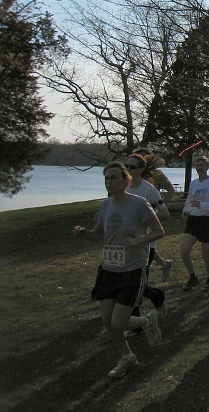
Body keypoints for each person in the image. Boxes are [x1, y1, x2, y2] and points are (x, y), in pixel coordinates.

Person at [72, 162, 165, 378]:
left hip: (133, 268)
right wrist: (84, 232)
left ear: (126, 180)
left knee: (119, 321)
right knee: (108, 321)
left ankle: (147, 321)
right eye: (106, 178)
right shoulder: (105, 205)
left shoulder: (139, 204)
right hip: (108, 269)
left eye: (114, 178)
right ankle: (127, 358)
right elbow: (99, 234)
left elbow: (159, 231)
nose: (109, 182)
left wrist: (138, 240)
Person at [125, 153, 170, 333]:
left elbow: (165, 213)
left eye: (132, 167)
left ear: (141, 170)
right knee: (132, 284)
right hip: (126, 243)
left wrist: (145, 221)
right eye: (126, 166)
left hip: (146, 244)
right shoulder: (123, 187)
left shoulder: (149, 189)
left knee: (135, 285)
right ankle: (156, 297)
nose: (128, 170)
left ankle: (137, 326)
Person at [181, 155, 209, 293]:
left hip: (208, 221)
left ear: (207, 167)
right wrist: (186, 210)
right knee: (184, 251)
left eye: (202, 165)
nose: (199, 168)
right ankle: (193, 277)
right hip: (194, 220)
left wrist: (201, 204)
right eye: (197, 165)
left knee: (205, 255)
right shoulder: (193, 183)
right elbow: (189, 199)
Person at [134, 147, 176, 280]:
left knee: (147, 242)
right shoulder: (131, 174)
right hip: (134, 215)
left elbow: (171, 191)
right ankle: (164, 264)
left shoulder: (158, 175)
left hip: (151, 214)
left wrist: (158, 207)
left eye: (143, 157)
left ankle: (143, 280)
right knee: (141, 242)